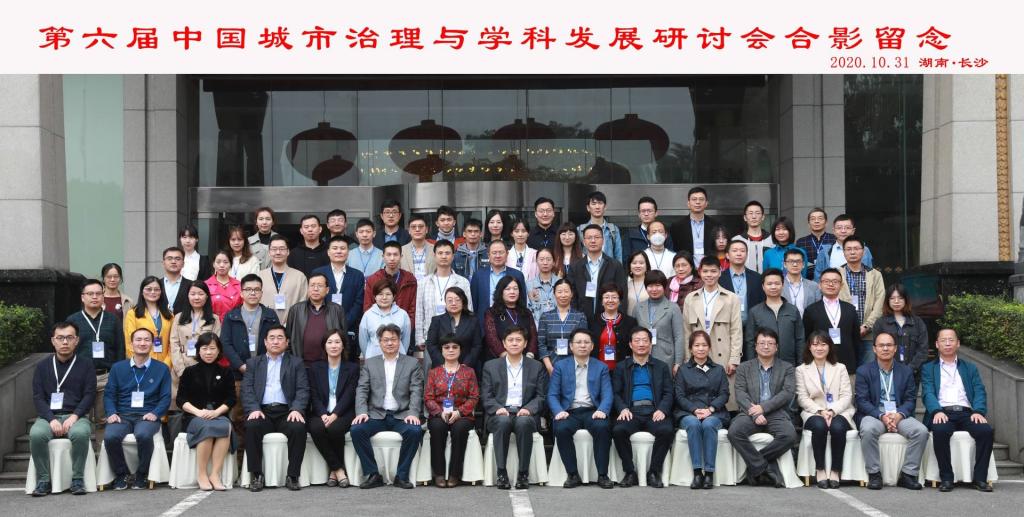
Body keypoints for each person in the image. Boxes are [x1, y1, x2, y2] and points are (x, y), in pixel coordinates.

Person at [921, 329, 995, 492]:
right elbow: (928, 392)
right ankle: (947, 478)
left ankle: (980, 478)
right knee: (940, 430)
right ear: (937, 344)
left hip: (967, 412)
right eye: (943, 340)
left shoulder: (970, 368)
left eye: (951, 340)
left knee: (985, 431)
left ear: (958, 343)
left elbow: (979, 391)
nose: (947, 343)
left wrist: (978, 411)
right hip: (942, 412)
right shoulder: (928, 368)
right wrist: (936, 411)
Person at [351, 324, 423, 489]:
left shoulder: (412, 363)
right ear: (380, 342)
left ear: (399, 341)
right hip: (376, 414)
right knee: (357, 430)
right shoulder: (370, 364)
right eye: (386, 340)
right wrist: (361, 412)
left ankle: (402, 475)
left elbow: (416, 390)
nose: (390, 343)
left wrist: (413, 413)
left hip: (402, 414)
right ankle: (373, 474)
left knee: (414, 431)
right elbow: (362, 389)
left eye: (393, 339)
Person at [29, 322, 96, 497]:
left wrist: (75, 416)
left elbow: (89, 395)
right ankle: (43, 480)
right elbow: (38, 397)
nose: (65, 342)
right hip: (48, 417)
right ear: (53, 341)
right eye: (60, 338)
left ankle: (77, 479)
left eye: (69, 337)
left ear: (77, 340)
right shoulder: (42, 366)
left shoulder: (86, 365)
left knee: (80, 434)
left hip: (76, 416)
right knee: (36, 434)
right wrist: (51, 419)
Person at [854, 331, 927, 491]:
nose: (885, 348)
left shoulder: (905, 371)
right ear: (874, 349)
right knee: (868, 429)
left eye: (889, 345)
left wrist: (899, 415)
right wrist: (881, 416)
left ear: (895, 348)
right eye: (881, 345)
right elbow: (862, 401)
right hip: (874, 414)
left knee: (921, 431)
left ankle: (908, 474)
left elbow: (910, 400)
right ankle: (874, 474)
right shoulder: (863, 371)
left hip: (899, 414)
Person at [240, 325, 309, 492]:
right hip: (262, 411)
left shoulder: (296, 363)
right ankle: (257, 475)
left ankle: (293, 476)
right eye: (272, 338)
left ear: (287, 342)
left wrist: (296, 409)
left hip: (287, 411)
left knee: (298, 427)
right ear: (265, 342)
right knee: (252, 426)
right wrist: (253, 409)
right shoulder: (253, 363)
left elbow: (303, 389)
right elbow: (246, 389)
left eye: (280, 338)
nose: (275, 341)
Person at [727, 328, 797, 488]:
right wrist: (755, 413)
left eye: (770, 343)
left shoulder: (787, 368)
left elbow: (787, 393)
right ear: (755, 346)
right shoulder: (744, 367)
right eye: (762, 343)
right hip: (749, 412)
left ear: (776, 347)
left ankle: (755, 466)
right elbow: (740, 393)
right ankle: (766, 468)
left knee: (789, 435)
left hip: (776, 413)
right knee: (734, 432)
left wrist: (763, 408)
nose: (766, 346)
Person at [104, 328, 172, 490]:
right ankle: (121, 474)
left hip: (147, 415)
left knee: (143, 435)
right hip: (122, 414)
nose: (142, 343)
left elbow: (166, 397)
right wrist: (111, 412)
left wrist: (156, 413)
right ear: (131, 343)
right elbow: (109, 394)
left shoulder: (161, 368)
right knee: (110, 436)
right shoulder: (118, 368)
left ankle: (142, 474)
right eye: (138, 339)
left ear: (152, 343)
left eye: (147, 340)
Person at [481, 326, 549, 490]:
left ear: (525, 344)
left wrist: (529, 409)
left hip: (525, 412)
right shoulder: (490, 366)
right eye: (510, 340)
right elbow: (486, 395)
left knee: (524, 422)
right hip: (500, 412)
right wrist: (497, 408)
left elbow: (541, 396)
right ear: (504, 343)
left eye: (518, 340)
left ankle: (523, 473)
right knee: (503, 422)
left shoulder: (536, 366)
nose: (514, 343)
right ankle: (501, 472)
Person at [548, 329, 614, 489]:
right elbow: (552, 394)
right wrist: (558, 411)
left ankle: (603, 475)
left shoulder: (601, 367)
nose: (582, 345)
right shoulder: (560, 366)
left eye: (586, 342)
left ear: (592, 346)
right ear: (571, 346)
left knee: (603, 427)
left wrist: (602, 410)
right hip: (569, 412)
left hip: (592, 411)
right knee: (561, 428)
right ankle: (572, 474)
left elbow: (607, 394)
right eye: (578, 342)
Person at [220, 274, 281, 439]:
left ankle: (260, 450)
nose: (252, 293)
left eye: (256, 290)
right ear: (241, 293)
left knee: (263, 413)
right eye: (248, 289)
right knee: (238, 414)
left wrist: (262, 366)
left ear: (261, 293)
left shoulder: (270, 315)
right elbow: (225, 344)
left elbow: (277, 341)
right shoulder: (231, 316)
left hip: (266, 372)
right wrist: (241, 366)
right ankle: (240, 453)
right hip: (239, 374)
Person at [611, 327, 674, 489]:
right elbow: (615, 393)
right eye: (637, 341)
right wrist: (622, 408)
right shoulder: (621, 367)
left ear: (650, 344)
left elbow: (669, 392)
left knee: (666, 430)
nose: (641, 344)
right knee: (619, 430)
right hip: (631, 411)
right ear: (630, 344)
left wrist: (662, 409)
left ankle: (653, 472)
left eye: (645, 340)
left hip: (654, 411)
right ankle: (629, 472)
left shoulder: (661, 366)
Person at [176, 333, 235, 491]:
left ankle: (214, 474)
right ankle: (202, 474)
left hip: (218, 415)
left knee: (225, 427)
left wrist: (216, 413)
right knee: (207, 427)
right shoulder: (189, 372)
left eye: (212, 348)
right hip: (194, 416)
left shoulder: (226, 372)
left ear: (219, 350)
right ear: (198, 350)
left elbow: (231, 399)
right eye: (204, 348)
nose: (208, 352)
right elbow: (181, 399)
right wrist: (198, 412)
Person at [795, 331, 854, 489]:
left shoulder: (840, 368)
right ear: (809, 347)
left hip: (839, 411)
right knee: (819, 426)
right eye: (815, 344)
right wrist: (821, 411)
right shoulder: (801, 370)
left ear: (829, 347)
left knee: (838, 427)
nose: (819, 348)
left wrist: (832, 411)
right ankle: (820, 469)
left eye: (823, 344)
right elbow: (802, 398)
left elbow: (846, 395)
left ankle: (835, 470)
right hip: (813, 411)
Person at [674, 330, 731, 490]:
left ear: (709, 347)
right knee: (693, 424)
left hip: (714, 412)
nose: (700, 348)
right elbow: (679, 395)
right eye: (697, 345)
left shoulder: (718, 369)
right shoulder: (683, 370)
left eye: (704, 345)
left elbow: (724, 394)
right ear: (691, 348)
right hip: (688, 412)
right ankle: (698, 472)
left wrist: (710, 409)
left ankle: (709, 473)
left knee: (708, 424)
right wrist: (694, 410)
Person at [424, 335, 480, 488]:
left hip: (462, 415)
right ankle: (439, 474)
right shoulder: (434, 372)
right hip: (439, 413)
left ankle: (455, 474)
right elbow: (428, 397)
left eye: (455, 347)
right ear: (441, 351)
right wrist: (439, 412)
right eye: (446, 347)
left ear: (460, 350)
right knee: (437, 427)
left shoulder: (469, 372)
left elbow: (474, 396)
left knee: (459, 429)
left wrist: (460, 412)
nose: (451, 350)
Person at [307, 329, 359, 488]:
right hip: (320, 412)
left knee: (335, 429)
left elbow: (349, 395)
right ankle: (338, 469)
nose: (334, 346)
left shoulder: (352, 368)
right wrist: (323, 414)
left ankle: (333, 472)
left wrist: (335, 414)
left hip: (344, 412)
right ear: (324, 346)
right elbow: (314, 394)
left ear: (343, 346)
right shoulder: (315, 368)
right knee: (316, 428)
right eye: (330, 342)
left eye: (337, 342)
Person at [66, 280, 122, 422]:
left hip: (106, 377)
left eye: (98, 293)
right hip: (80, 377)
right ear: (82, 297)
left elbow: (120, 348)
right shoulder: (72, 321)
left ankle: (102, 437)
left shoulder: (113, 320)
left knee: (104, 420)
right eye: (90, 294)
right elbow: (66, 349)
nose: (95, 297)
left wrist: (117, 375)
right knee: (81, 418)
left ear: (103, 296)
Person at [682, 257, 743, 380]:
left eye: (713, 271)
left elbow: (736, 331)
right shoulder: (690, 298)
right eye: (705, 271)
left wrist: (734, 359)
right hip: (697, 355)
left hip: (723, 355)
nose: (709, 275)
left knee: (723, 390)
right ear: (699, 272)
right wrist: (688, 359)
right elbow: (687, 332)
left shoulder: (731, 298)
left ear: (720, 272)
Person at [416, 241, 473, 365]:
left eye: (447, 253)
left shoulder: (462, 282)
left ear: (453, 256)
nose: (444, 256)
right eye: (440, 253)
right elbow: (419, 312)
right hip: (431, 337)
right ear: (434, 255)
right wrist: (420, 338)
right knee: (431, 372)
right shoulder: (424, 282)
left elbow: (468, 310)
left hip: (457, 338)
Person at [169, 282, 222, 405]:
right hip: (182, 365)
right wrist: (181, 370)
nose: (196, 297)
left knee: (202, 404)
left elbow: (215, 346)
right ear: (187, 296)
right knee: (180, 404)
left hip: (204, 368)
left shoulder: (214, 319)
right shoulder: (178, 317)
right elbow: (174, 344)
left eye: (200, 294)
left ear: (207, 296)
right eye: (193, 294)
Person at [837, 235, 885, 367]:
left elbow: (879, 303)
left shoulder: (875, 275)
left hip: (868, 335)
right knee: (845, 371)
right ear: (843, 252)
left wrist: (866, 326)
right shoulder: (836, 274)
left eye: (856, 249)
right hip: (844, 333)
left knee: (867, 371)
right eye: (848, 249)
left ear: (863, 252)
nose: (852, 252)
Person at [568, 224, 628, 325]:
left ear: (603, 240)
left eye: (596, 237)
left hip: (609, 320)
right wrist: (576, 317)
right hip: (582, 320)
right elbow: (572, 296)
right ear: (584, 241)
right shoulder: (575, 267)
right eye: (589, 238)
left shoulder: (615, 265)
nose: (593, 241)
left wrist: (618, 320)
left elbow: (622, 294)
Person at [803, 268, 859, 374]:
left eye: (835, 281)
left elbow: (856, 339)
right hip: (819, 365)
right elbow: (807, 339)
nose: (831, 284)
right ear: (820, 285)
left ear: (841, 286)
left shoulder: (850, 309)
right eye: (826, 281)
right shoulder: (810, 310)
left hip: (847, 365)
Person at [744, 269, 804, 365]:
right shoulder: (755, 311)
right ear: (763, 286)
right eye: (769, 284)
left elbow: (800, 339)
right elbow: (750, 341)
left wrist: (800, 363)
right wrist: (752, 365)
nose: (773, 287)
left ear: (783, 285)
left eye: (777, 283)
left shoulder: (793, 310)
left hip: (789, 364)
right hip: (762, 365)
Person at [286, 273, 347, 367]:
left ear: (327, 290)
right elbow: (288, 339)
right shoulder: (295, 310)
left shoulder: (337, 310)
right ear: (308, 288)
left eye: (320, 286)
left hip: (328, 365)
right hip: (301, 365)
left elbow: (345, 340)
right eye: (312, 285)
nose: (315, 289)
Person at [631, 271, 685, 376]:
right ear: (646, 287)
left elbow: (679, 337)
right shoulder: (638, 308)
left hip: (665, 357)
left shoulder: (673, 308)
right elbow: (632, 334)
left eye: (658, 285)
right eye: (650, 286)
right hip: (641, 356)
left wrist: (678, 362)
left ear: (664, 287)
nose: (654, 289)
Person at [312, 235, 365, 334]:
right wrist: (325, 322)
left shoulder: (357, 275)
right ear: (328, 252)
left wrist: (345, 323)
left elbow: (358, 303)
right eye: (335, 248)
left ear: (348, 252)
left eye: (342, 248)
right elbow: (314, 298)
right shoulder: (318, 273)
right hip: (322, 327)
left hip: (349, 329)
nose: (339, 251)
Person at [872, 284, 929, 374]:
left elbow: (923, 351)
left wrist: (909, 369)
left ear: (906, 300)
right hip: (888, 373)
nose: (896, 301)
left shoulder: (917, 322)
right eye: (892, 298)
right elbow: (877, 351)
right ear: (887, 301)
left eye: (900, 298)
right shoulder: (880, 323)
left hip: (913, 374)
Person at [425, 287, 483, 373]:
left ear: (463, 301)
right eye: (450, 300)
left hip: (466, 368)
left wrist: (465, 365)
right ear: (445, 302)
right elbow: (431, 345)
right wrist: (444, 365)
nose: (453, 303)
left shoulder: (473, 321)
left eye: (457, 300)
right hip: (442, 369)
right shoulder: (437, 321)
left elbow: (477, 345)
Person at [537, 279, 589, 373]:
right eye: (559, 292)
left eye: (566, 291)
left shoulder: (580, 317)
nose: (563, 295)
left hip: (574, 365)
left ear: (571, 294)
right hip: (551, 364)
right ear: (554, 294)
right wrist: (549, 368)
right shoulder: (545, 317)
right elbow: (541, 344)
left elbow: (583, 343)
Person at [483, 276, 540, 361]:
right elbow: (492, 338)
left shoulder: (526, 312)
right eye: (508, 289)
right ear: (501, 291)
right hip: (500, 361)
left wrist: (529, 356)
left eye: (515, 289)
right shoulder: (492, 313)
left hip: (526, 360)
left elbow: (533, 336)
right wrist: (508, 358)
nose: (512, 292)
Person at [123, 276, 174, 370]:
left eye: (156, 289)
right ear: (142, 292)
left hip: (165, 366)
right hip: (141, 366)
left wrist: (166, 365)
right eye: (149, 289)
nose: (153, 292)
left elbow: (173, 343)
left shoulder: (169, 315)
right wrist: (140, 363)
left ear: (161, 292)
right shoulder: (133, 314)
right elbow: (129, 343)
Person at [362, 242, 418, 325]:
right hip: (378, 327)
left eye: (395, 255)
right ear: (383, 257)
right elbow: (368, 307)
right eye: (388, 255)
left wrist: (407, 327)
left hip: (402, 326)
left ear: (401, 257)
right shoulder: (373, 280)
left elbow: (413, 309)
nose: (392, 258)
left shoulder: (410, 280)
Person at [470, 240, 527, 319]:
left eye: (501, 252)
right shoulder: (478, 276)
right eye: (494, 253)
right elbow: (474, 303)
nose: (498, 256)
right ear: (488, 255)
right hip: (484, 320)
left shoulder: (517, 275)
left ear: (507, 254)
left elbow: (522, 302)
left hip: (511, 321)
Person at [258, 235, 308, 322]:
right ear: (269, 252)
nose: (278, 252)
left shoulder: (300, 277)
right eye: (274, 249)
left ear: (288, 252)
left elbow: (304, 304)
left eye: (282, 249)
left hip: (292, 324)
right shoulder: (260, 276)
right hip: (265, 324)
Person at [359, 278, 412, 359]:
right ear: (375, 296)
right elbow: (363, 341)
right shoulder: (368, 315)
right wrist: (369, 356)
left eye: (388, 294)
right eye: (380, 294)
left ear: (394, 296)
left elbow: (406, 340)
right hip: (374, 359)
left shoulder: (403, 314)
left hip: (398, 360)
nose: (384, 297)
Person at [589, 284, 637, 371]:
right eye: (606, 297)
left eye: (614, 297)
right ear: (602, 301)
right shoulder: (592, 321)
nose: (610, 300)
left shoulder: (630, 322)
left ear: (620, 301)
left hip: (622, 370)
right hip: (597, 369)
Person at [813, 214, 874, 281]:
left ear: (853, 231)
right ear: (834, 231)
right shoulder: (825, 252)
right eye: (839, 228)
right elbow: (818, 277)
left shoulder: (864, 250)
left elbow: (870, 274)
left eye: (847, 228)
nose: (843, 231)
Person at [718, 239, 765, 325]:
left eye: (742, 251)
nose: (739, 254)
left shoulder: (757, 278)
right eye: (735, 251)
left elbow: (762, 303)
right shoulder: (719, 279)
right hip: (727, 326)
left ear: (746, 255)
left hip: (752, 326)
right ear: (727, 255)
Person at [669, 187, 719, 265]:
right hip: (687, 266)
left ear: (706, 203)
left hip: (709, 265)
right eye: (694, 199)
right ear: (688, 203)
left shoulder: (715, 225)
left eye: (701, 199)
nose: (698, 202)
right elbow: (675, 249)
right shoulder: (677, 226)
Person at [576, 191, 623, 262]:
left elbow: (618, 256)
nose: (597, 207)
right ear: (588, 208)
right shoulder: (580, 230)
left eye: (600, 203)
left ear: (605, 207)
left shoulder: (613, 229)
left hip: (609, 268)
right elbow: (577, 254)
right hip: (587, 268)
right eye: (594, 204)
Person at [731, 201, 774, 274]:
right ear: (745, 217)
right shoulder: (736, 240)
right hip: (745, 279)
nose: (754, 216)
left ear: (763, 217)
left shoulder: (772, 239)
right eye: (750, 213)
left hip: (768, 279)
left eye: (757, 213)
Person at [795, 208, 835, 280]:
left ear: (826, 222)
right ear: (808, 224)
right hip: (807, 279)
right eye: (813, 219)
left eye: (820, 218)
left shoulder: (834, 239)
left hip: (830, 279)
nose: (816, 221)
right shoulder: (801, 242)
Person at [782, 248, 821, 318]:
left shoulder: (814, 286)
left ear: (803, 264)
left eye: (798, 261)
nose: (795, 264)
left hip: (808, 323)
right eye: (791, 261)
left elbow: (818, 309)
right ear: (784, 264)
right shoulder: (779, 285)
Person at [205, 250, 242, 321]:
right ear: (213, 264)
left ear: (231, 265)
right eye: (218, 262)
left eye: (225, 262)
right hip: (213, 323)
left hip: (234, 323)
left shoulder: (239, 285)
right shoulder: (206, 285)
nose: (222, 265)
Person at [526, 247, 558, 322]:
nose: (545, 263)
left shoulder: (560, 283)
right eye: (541, 259)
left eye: (548, 259)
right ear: (536, 262)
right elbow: (528, 311)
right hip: (537, 326)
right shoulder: (529, 285)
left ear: (554, 262)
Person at [401, 214, 436, 281]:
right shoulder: (401, 251)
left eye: (421, 226)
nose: (417, 229)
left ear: (426, 229)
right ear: (409, 230)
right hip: (409, 287)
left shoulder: (435, 250)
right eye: (413, 227)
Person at [161, 246, 193, 314]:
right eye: (169, 258)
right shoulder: (156, 285)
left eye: (177, 259)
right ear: (163, 263)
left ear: (183, 263)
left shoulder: (191, 285)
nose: (173, 261)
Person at [625, 250, 651, 316]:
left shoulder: (652, 285)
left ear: (647, 266)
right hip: (629, 321)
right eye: (634, 263)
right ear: (630, 266)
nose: (638, 266)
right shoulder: (625, 285)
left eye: (641, 263)